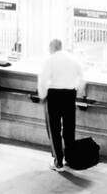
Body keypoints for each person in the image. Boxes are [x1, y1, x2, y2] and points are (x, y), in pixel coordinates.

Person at [36, 39, 85, 171]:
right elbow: (82, 78)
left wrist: (42, 95)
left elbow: (43, 79)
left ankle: (58, 161)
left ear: (52, 48)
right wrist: (78, 91)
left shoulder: (49, 60)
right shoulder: (73, 59)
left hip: (54, 95)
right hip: (70, 95)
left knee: (54, 129)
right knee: (69, 127)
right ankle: (70, 158)